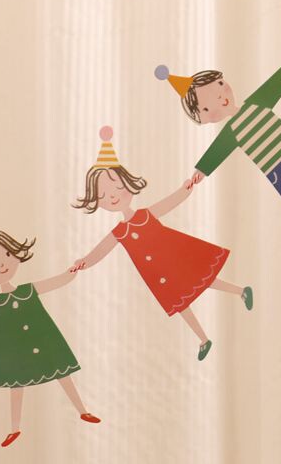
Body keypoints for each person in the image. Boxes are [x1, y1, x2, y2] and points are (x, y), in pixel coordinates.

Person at [73, 127, 252, 361]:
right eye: (103, 195)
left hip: (173, 255)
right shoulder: (119, 232)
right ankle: (204, 338)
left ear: (128, 185)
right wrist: (85, 262)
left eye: (117, 188)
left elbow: (170, 203)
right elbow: (101, 250)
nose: (113, 196)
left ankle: (240, 292)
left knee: (202, 280)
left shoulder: (144, 215)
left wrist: (185, 190)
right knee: (180, 301)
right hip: (158, 272)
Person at [0, 211, 99, 449]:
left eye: (6, 255)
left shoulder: (28, 290)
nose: (1, 265)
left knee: (62, 373)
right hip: (16, 349)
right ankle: (14, 428)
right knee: (17, 386)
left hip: (43, 339)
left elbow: (55, 282)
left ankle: (82, 410)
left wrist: (71, 272)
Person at [156, 61, 281, 251]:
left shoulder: (255, 103)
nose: (221, 99)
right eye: (207, 107)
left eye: (220, 87)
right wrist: (202, 170)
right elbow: (217, 151)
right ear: (205, 115)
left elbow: (273, 87)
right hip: (275, 166)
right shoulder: (232, 131)